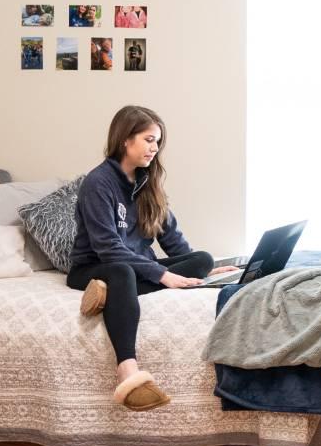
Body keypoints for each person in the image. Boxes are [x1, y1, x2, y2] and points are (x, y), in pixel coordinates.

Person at [66, 105, 214, 410]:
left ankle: (109, 297)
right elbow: (107, 247)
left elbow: (171, 239)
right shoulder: (98, 183)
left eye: (157, 142)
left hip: (130, 268)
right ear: (125, 140)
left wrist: (200, 271)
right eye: (148, 139)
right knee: (123, 272)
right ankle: (127, 370)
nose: (154, 148)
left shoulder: (148, 182)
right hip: (93, 267)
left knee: (204, 259)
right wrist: (163, 275)